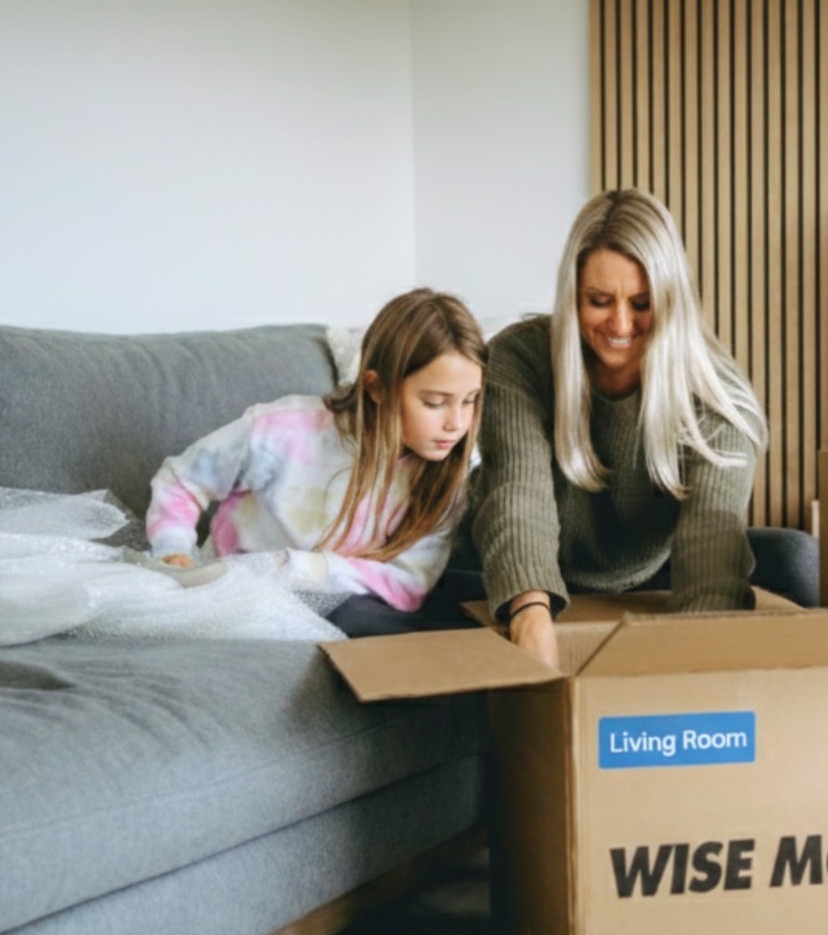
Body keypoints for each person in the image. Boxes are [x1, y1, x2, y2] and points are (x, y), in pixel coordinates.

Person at [469, 189, 766, 668]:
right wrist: (529, 617)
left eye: (643, 303)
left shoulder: (718, 398)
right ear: (572, 297)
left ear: (672, 301)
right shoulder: (518, 359)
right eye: (600, 301)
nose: (621, 324)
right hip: (518, 575)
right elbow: (517, 496)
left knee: (792, 559)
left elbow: (711, 537)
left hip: (649, 575)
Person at [146, 287, 485, 618]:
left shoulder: (450, 469)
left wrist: (307, 568)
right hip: (237, 596)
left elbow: (409, 584)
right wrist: (172, 548)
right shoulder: (282, 431)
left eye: (470, 400)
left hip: (345, 600)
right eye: (435, 403)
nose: (457, 423)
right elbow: (183, 479)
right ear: (377, 388)